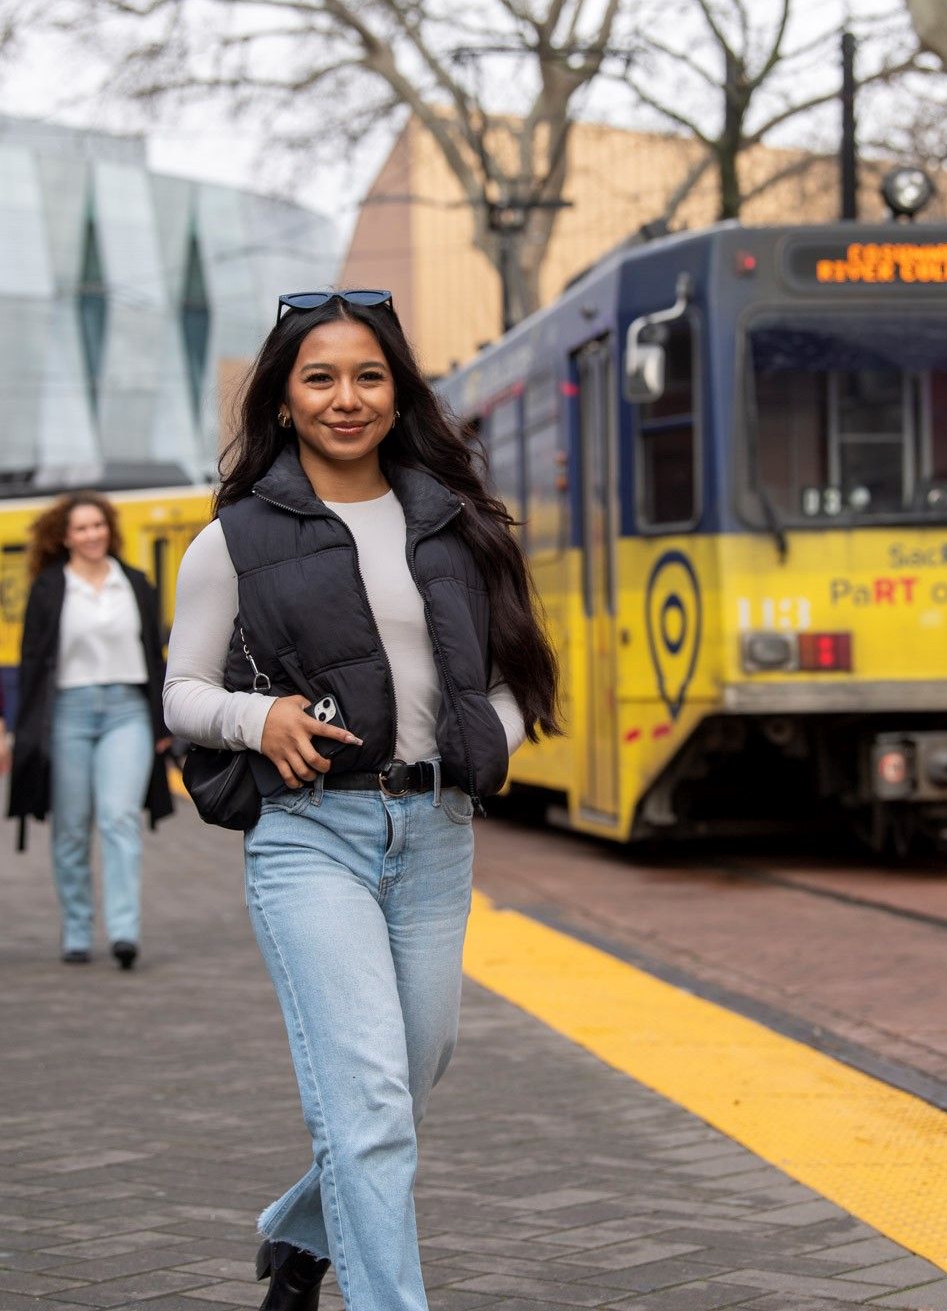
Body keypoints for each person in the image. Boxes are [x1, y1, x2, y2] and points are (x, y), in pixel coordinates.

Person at [163, 289, 560, 1311]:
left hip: (435, 835)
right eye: (320, 378)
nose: (348, 397)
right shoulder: (236, 540)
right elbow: (182, 694)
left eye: (369, 375)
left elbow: (520, 681)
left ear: (399, 394)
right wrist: (263, 723)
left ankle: (304, 1232)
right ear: (285, 402)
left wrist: (489, 740)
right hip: (310, 837)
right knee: (372, 1102)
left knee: (411, 1075)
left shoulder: (459, 523)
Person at [8, 493, 173, 968]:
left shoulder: (136, 584)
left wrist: (161, 722)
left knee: (119, 817)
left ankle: (124, 932)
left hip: (127, 712)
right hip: (68, 714)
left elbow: (154, 655)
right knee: (72, 828)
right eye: (81, 528)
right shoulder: (48, 588)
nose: (92, 535)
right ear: (65, 537)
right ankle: (77, 930)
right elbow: (31, 664)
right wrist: (21, 730)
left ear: (109, 529)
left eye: (98, 525)